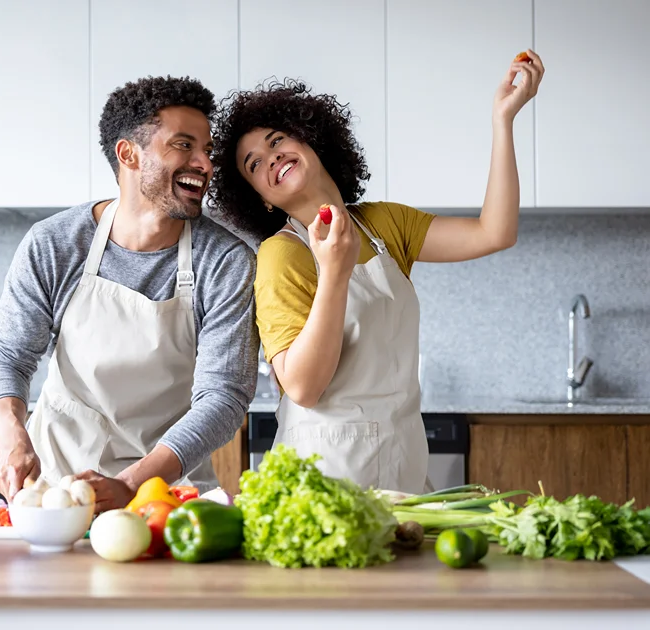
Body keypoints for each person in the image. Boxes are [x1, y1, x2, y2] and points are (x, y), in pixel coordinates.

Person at [209, 51, 545, 493]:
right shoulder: (281, 256)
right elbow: (303, 388)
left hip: (403, 466)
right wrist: (334, 273)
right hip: (324, 481)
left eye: (276, 141)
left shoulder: (384, 224)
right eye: (253, 164)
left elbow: (494, 232)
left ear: (310, 141)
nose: (270, 158)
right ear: (262, 199)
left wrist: (504, 120)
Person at [0, 75, 260, 513]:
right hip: (58, 491)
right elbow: (8, 356)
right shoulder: (55, 243)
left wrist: (133, 482)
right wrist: (13, 437)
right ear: (129, 154)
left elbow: (224, 396)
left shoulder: (225, 261)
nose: (205, 163)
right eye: (184, 145)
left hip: (169, 495)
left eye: (207, 150)